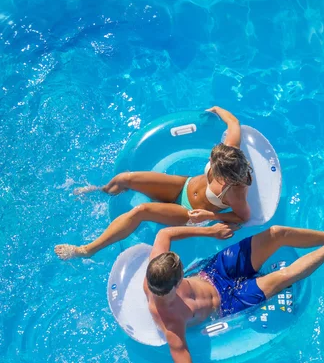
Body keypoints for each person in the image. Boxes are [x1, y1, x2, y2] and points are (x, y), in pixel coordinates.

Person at [144, 217, 324, 363]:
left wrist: (210, 232)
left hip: (215, 272)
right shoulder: (172, 322)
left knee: (277, 233)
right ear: (175, 285)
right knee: (285, 277)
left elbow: (163, 235)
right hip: (229, 302)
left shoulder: (155, 271)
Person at [55, 106, 252, 260]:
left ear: (226, 177)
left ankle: (87, 250)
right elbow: (233, 122)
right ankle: (103, 191)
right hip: (184, 185)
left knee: (140, 211)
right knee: (125, 178)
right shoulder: (230, 150)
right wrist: (215, 109)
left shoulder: (236, 191)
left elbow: (243, 217)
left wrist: (211, 215)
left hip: (189, 212)